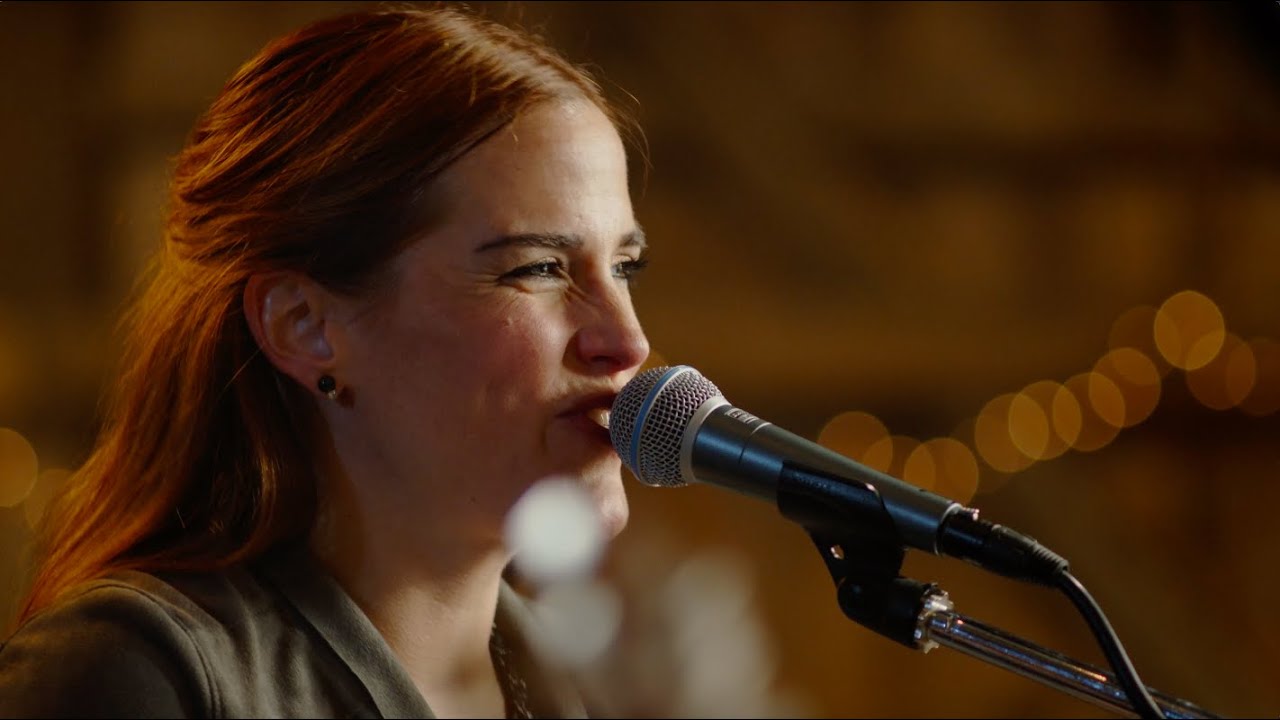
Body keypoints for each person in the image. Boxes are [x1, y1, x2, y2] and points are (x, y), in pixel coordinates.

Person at [0, 3, 651, 717]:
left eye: (624, 267)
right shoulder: (140, 673)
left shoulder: (566, 685)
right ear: (305, 327)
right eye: (537, 269)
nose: (627, 341)